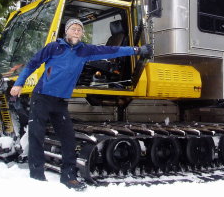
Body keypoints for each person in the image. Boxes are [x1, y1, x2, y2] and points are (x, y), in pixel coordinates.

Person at [10, 18, 151, 190]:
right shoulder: (54, 47)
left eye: (79, 29)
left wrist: (137, 50)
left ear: (82, 33)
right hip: (42, 97)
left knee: (69, 139)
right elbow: (32, 63)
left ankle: (68, 176)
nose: (76, 32)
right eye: (73, 29)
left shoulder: (85, 50)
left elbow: (112, 50)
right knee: (36, 136)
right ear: (67, 31)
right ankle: (37, 176)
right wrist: (19, 83)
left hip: (61, 102)